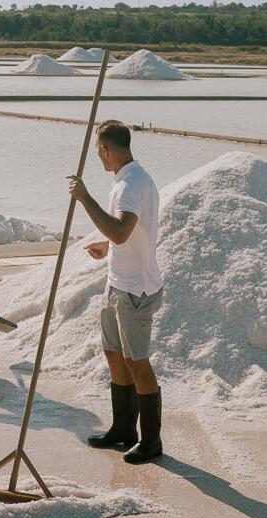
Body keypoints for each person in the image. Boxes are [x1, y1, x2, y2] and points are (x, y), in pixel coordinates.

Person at [66, 120, 165, 464]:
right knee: (113, 353)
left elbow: (123, 231)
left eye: (99, 151)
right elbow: (127, 235)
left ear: (107, 149)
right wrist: (107, 247)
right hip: (117, 281)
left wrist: (84, 199)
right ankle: (124, 429)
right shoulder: (131, 179)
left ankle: (152, 441)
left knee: (137, 362)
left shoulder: (130, 185)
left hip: (135, 288)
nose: (98, 157)